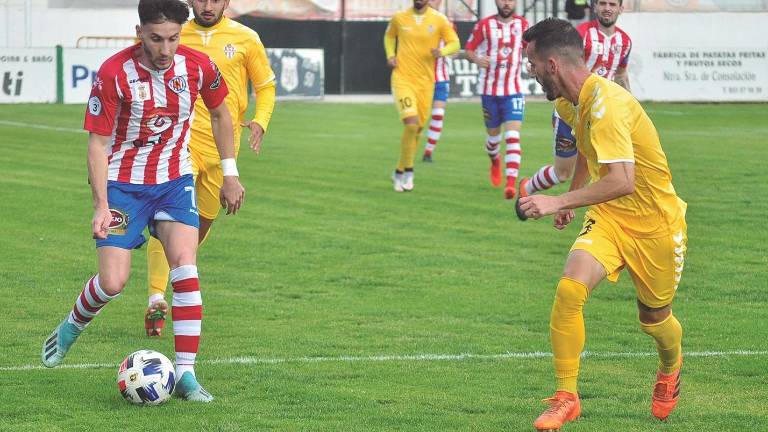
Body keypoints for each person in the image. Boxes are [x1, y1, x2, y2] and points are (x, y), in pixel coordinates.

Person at [40, 0, 245, 403]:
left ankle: (185, 375)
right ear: (139, 33)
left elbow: (222, 114)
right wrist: (101, 205)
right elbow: (97, 145)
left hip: (174, 180)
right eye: (155, 39)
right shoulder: (114, 73)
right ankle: (70, 327)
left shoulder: (198, 66)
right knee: (113, 282)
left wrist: (230, 173)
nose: (165, 48)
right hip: (123, 186)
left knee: (185, 268)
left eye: (172, 38)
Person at [517, 18, 687, 430]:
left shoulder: (607, 104)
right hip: (610, 216)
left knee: (655, 321)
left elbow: (622, 180)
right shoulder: (568, 103)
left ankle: (670, 368)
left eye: (532, 62)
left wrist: (556, 198)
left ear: (553, 64)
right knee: (569, 289)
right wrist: (573, 200)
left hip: (656, 225)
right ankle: (566, 397)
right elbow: (582, 147)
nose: (530, 71)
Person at [143, 0, 276, 337]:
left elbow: (265, 86)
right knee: (168, 222)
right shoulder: (172, 35)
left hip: (222, 151)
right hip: (179, 145)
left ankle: (178, 284)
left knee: (198, 230)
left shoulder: (246, 38)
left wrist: (260, 120)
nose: (207, 5)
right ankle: (156, 298)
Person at [516, 0, 631, 218]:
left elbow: (621, 74)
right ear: (594, 7)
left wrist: (628, 102)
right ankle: (528, 188)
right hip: (570, 111)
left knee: (602, 167)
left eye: (613, 4)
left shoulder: (625, 41)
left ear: (620, 8)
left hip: (603, 111)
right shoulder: (581, 36)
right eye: (603, 3)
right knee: (563, 172)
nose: (607, 8)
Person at [384, 0, 460, 192]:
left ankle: (399, 170)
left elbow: (455, 43)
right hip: (402, 79)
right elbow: (389, 37)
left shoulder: (439, 20)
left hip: (426, 83)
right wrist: (390, 55)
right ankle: (408, 171)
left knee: (417, 128)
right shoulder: (399, 18)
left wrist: (441, 51)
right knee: (411, 123)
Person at [464, 0, 528, 199]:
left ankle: (510, 184)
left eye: (510, 0)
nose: (506, 3)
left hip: (514, 91)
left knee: (512, 136)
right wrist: (475, 59)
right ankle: (494, 159)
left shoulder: (524, 25)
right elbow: (468, 50)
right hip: (489, 91)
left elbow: (531, 49)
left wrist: (532, 63)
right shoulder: (484, 25)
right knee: (493, 139)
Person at [421, 0, 455, 163]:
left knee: (438, 115)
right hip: (421, 78)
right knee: (419, 118)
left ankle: (428, 151)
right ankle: (411, 146)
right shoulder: (418, 21)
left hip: (441, 79)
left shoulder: (448, 23)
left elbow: (454, 49)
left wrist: (444, 52)